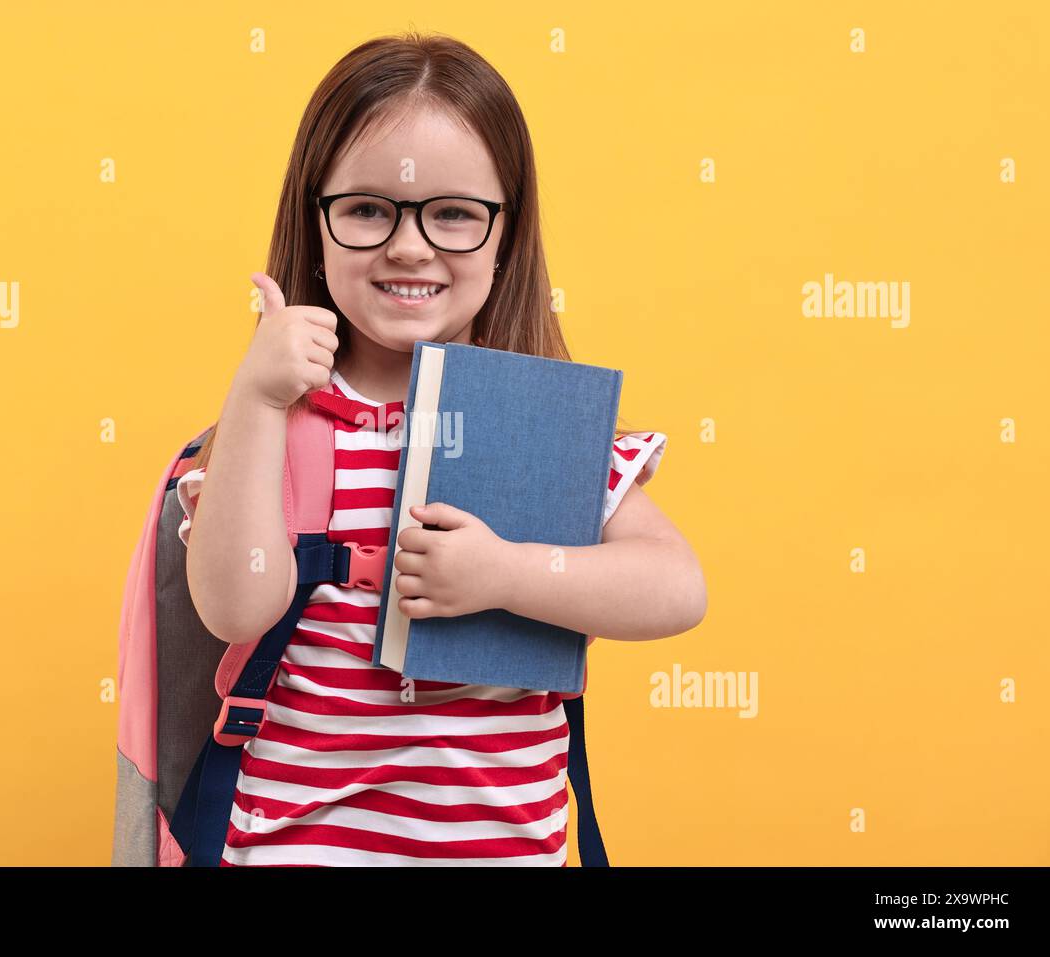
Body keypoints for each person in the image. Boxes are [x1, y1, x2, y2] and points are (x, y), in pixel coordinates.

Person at [180, 31, 707, 866]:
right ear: (313, 222)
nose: (409, 245)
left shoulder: (542, 428)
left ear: (507, 234)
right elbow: (235, 609)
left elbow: (677, 589)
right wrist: (253, 395)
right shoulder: (277, 423)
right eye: (365, 209)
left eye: (454, 213)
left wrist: (508, 574)